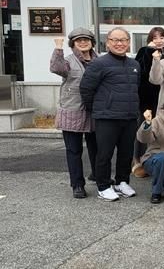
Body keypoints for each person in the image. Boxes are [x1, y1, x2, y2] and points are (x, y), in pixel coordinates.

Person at [79, 27, 140, 202]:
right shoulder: (98, 64)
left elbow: (136, 88)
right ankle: (103, 186)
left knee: (126, 153)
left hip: (129, 116)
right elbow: (86, 89)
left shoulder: (134, 65)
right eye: (115, 40)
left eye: (123, 40)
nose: (119, 43)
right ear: (108, 43)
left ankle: (122, 182)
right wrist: (98, 109)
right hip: (107, 117)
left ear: (129, 42)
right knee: (104, 154)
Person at [50, 28, 99, 199]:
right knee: (74, 150)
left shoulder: (100, 60)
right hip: (72, 110)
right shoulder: (68, 60)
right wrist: (58, 48)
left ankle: (99, 176)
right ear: (73, 44)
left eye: (86, 39)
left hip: (95, 109)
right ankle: (77, 184)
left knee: (97, 148)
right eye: (79, 40)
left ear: (92, 42)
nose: (83, 42)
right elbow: (56, 68)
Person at [133, 27, 164, 175]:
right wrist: (149, 52)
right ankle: (137, 160)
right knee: (144, 127)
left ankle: (155, 160)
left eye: (162, 37)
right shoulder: (144, 51)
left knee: (160, 130)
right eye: (155, 38)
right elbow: (141, 71)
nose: (158, 41)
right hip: (146, 98)